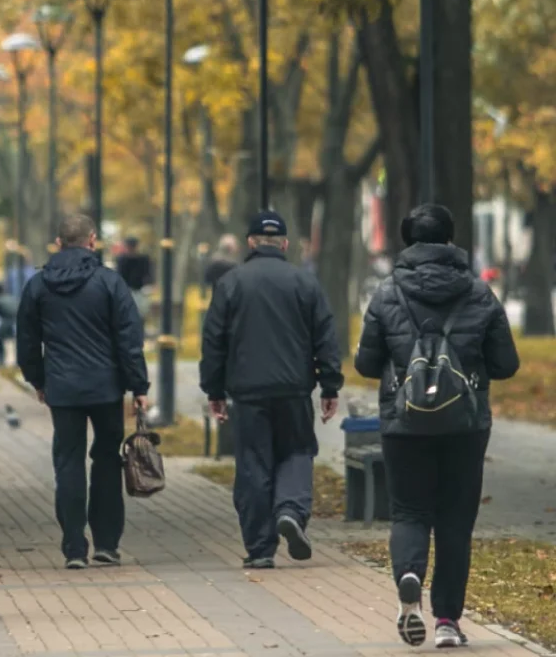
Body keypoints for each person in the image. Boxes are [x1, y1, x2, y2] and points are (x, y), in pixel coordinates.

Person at [354, 204, 519, 649]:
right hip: (464, 424)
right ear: (450, 241)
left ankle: (409, 574)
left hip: (403, 422)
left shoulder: (388, 293)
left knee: (409, 511)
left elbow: (366, 362)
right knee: (455, 520)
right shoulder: (480, 294)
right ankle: (447, 620)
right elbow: (507, 364)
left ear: (409, 242)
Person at [199, 210, 343, 570]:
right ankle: (291, 510)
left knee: (252, 465)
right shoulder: (304, 283)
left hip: (247, 392)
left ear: (250, 243)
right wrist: (329, 385)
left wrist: (214, 390)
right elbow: (325, 337)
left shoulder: (230, 283)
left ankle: (260, 548)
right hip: (294, 388)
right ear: (285, 244)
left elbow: (213, 341)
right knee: (296, 451)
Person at [16, 214, 149, 569]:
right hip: (107, 389)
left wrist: (39, 380)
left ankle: (74, 546)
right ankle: (107, 542)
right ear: (92, 241)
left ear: (58, 244)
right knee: (107, 461)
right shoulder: (109, 282)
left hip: (63, 389)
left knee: (68, 464)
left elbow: (27, 342)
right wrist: (139, 386)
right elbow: (128, 338)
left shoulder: (39, 285)